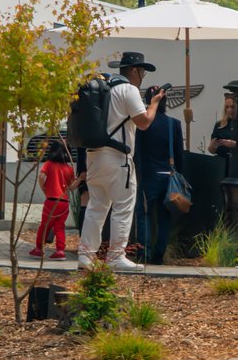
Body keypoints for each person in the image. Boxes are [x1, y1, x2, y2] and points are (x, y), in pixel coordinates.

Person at [77, 51, 160, 272]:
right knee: (123, 206)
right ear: (133, 70)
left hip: (93, 156)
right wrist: (154, 104)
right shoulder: (128, 90)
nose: (142, 76)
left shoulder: (104, 88)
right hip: (118, 158)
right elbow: (143, 122)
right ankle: (116, 256)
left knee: (96, 207)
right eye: (142, 71)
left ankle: (85, 256)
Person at [131, 87, 189, 264]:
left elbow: (137, 153)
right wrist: (181, 176)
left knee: (144, 214)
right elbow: (179, 154)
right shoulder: (174, 124)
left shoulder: (142, 125)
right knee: (165, 216)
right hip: (169, 175)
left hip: (149, 175)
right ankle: (159, 254)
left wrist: (138, 174)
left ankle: (144, 252)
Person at [27, 136, 75, 261]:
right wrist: (80, 179)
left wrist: (44, 189)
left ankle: (38, 249)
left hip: (52, 200)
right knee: (60, 227)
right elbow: (72, 187)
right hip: (64, 202)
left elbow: (41, 177)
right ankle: (60, 251)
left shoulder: (49, 164)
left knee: (45, 225)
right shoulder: (69, 168)